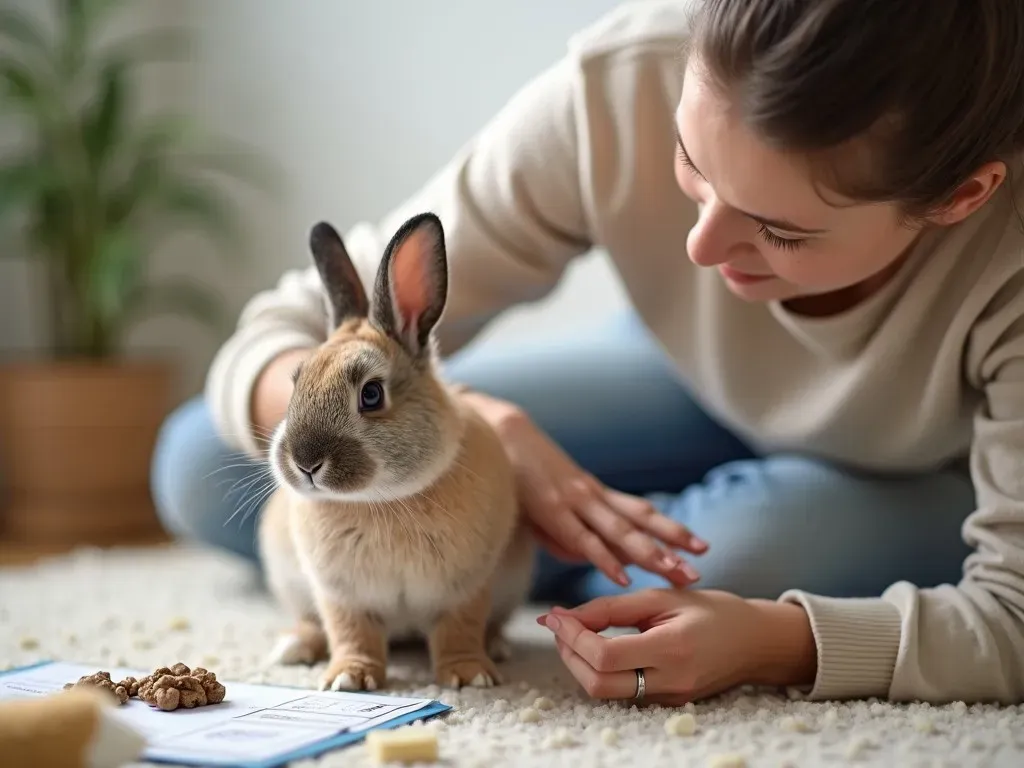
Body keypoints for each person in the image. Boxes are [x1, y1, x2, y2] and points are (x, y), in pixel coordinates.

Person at [152, 0, 1024, 707]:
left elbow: (1011, 615)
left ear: (960, 197)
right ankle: (489, 556)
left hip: (913, 462)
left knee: (733, 569)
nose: (701, 248)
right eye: (690, 163)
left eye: (780, 230)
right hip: (681, 378)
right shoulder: (624, 81)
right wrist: (478, 434)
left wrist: (778, 642)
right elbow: (291, 325)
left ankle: (493, 562)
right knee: (203, 458)